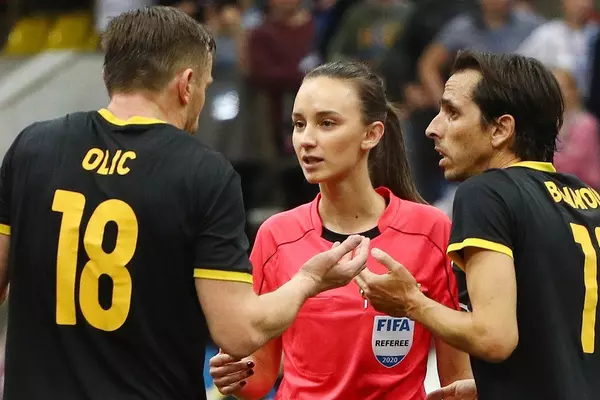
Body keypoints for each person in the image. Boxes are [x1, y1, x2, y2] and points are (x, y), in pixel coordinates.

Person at [0, 6, 371, 400]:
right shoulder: (203, 173)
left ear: (108, 75)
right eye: (206, 85)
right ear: (187, 83)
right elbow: (238, 332)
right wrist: (309, 281)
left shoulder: (33, 147)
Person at [208, 60, 472, 400]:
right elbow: (259, 378)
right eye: (299, 124)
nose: (306, 140)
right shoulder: (275, 235)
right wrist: (234, 372)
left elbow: (456, 377)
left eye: (327, 123)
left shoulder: (432, 230)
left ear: (371, 134)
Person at [355, 50, 600, 400]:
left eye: (452, 112)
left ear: (500, 129)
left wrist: (410, 302)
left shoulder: (486, 192)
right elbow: (560, 336)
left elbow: (494, 337)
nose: (432, 128)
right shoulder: (587, 197)